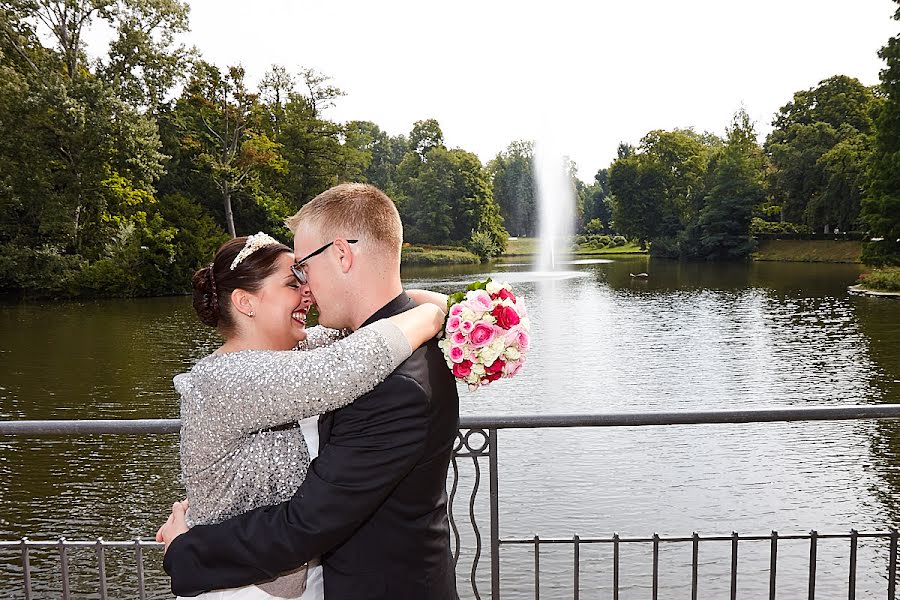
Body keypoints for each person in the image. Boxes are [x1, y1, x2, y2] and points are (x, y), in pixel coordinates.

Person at [160, 183, 460, 600]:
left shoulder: (307, 351)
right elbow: (346, 365)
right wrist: (431, 316)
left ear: (341, 254)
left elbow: (359, 340)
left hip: (302, 576)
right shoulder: (226, 378)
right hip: (246, 584)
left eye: (305, 270)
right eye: (292, 279)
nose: (306, 289)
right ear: (246, 303)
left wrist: (439, 310)